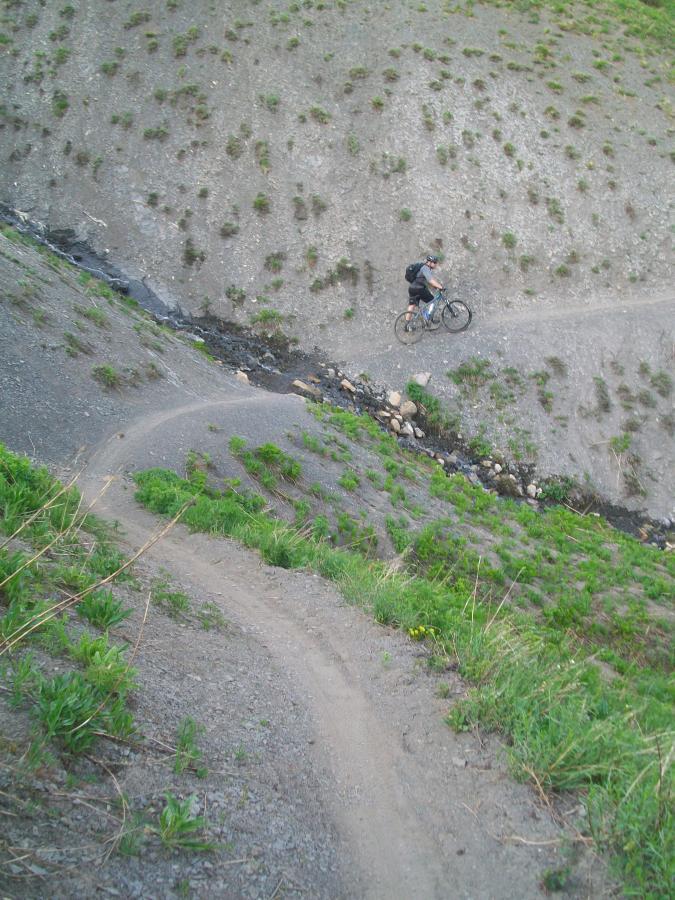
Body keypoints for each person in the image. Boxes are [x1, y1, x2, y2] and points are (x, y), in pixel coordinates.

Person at [406, 255, 444, 327]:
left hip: (412, 288)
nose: (436, 264)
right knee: (433, 301)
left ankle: (406, 325)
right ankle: (427, 319)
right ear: (430, 263)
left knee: (412, 305)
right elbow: (430, 280)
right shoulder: (425, 268)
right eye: (435, 262)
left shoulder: (422, 268)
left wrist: (436, 287)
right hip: (419, 289)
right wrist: (440, 287)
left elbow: (425, 281)